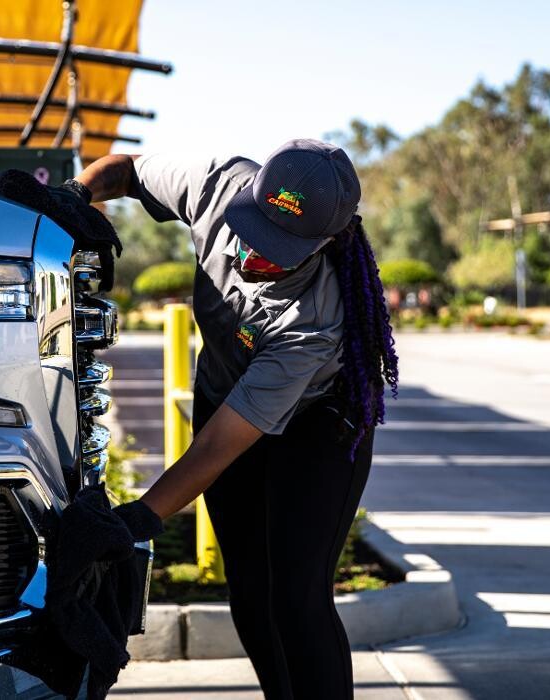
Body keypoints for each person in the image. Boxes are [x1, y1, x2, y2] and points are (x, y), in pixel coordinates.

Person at [65, 139, 399, 700]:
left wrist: (135, 520)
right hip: (226, 391)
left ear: (325, 245)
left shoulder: (314, 320)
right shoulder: (220, 185)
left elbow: (218, 448)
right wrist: (74, 197)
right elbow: (126, 167)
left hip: (318, 424)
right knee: (248, 590)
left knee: (295, 596)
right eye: (254, 227)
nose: (251, 253)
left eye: (278, 248)